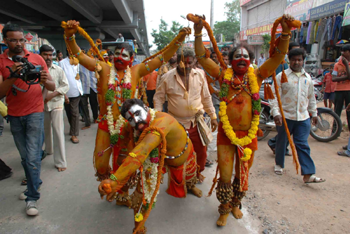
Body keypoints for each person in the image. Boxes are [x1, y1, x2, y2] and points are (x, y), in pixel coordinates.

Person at [63, 20, 191, 206]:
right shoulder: (104, 68)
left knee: (123, 161)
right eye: (116, 54)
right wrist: (69, 36)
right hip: (106, 125)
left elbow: (162, 58)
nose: (119, 57)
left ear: (131, 58)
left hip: (127, 127)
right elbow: (79, 56)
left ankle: (121, 193)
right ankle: (108, 184)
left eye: (124, 54)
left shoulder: (137, 70)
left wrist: (178, 40)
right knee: (100, 164)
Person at [192, 14, 295, 226]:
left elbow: (278, 57)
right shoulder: (223, 76)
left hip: (249, 136)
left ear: (250, 60)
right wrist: (198, 32)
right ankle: (223, 208)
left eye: (245, 56)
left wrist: (285, 34)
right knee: (227, 175)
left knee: (242, 175)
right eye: (236, 56)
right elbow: (202, 58)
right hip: (225, 136)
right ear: (230, 61)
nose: (241, 59)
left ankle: (236, 204)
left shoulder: (256, 76)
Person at [98, 99, 202, 233]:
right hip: (155, 160)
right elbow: (124, 136)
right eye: (130, 118)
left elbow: (142, 150)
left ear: (146, 108)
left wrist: (114, 179)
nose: (135, 121)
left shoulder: (161, 122)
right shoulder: (133, 126)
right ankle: (139, 227)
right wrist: (123, 152)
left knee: (189, 175)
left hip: (181, 156)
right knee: (142, 193)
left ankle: (191, 186)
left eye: (137, 113)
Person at [0, 23, 55, 216]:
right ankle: (35, 182)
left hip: (35, 113)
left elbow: (52, 84)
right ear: (5, 40)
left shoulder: (36, 58)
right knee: (25, 156)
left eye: (21, 39)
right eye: (13, 40)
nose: (18, 43)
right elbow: (0, 92)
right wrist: (13, 76)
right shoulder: (1, 61)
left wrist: (43, 80)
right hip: (14, 115)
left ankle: (32, 198)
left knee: (32, 157)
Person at [154, 47, 218, 181]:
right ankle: (180, 179)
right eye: (184, 62)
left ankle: (196, 174)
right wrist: (158, 118)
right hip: (176, 124)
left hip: (196, 121)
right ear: (178, 61)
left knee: (201, 152)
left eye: (190, 63)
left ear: (194, 62)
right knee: (178, 153)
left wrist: (213, 116)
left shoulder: (200, 74)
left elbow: (206, 97)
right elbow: (158, 98)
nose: (187, 66)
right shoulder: (167, 77)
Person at [270, 48, 325, 184]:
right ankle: (279, 164)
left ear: (303, 61)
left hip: (303, 117)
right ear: (289, 60)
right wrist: (276, 113)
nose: (296, 62)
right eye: (294, 59)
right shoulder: (281, 76)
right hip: (285, 116)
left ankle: (308, 174)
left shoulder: (308, 78)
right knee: (282, 141)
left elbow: (311, 97)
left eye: (299, 59)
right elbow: (274, 96)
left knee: (302, 144)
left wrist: (314, 113)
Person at [267, 42, 301, 155]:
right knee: (287, 129)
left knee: (289, 130)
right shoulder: (281, 64)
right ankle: (276, 146)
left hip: (293, 103)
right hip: (283, 100)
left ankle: (275, 143)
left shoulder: (290, 66)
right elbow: (277, 85)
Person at [40, 45, 69, 172]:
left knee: (58, 131)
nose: (48, 57)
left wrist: (53, 94)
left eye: (50, 55)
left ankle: (61, 162)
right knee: (46, 130)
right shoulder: (36, 71)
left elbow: (65, 86)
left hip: (56, 103)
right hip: (41, 105)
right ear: (40, 55)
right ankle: (49, 150)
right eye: (45, 54)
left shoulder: (57, 69)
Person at [60, 53, 83, 144]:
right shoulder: (62, 63)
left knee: (74, 113)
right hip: (67, 92)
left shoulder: (77, 61)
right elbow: (61, 78)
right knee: (69, 112)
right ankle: (72, 129)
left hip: (77, 91)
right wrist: (64, 94)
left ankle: (74, 134)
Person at [332, 44, 350, 137]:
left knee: (349, 112)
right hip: (338, 90)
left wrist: (346, 64)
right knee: (336, 112)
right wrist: (347, 76)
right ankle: (334, 132)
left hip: (349, 90)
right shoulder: (337, 64)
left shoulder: (347, 63)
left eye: (345, 51)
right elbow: (333, 78)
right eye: (342, 51)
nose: (342, 53)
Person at [78, 51, 91, 130]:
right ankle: (87, 122)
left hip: (92, 87)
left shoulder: (90, 63)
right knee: (84, 106)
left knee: (94, 104)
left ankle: (96, 118)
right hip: (82, 89)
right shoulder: (77, 65)